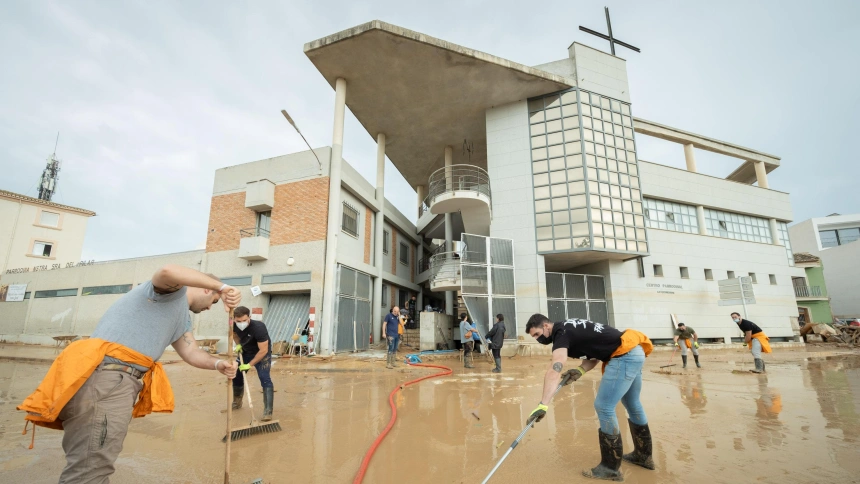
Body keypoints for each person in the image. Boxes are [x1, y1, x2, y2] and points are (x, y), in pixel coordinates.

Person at [18, 265, 240, 482]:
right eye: (214, 300)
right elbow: (167, 272)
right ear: (205, 289)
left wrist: (218, 364)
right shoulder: (172, 292)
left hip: (112, 383)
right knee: (89, 472)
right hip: (106, 381)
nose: (211, 307)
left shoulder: (181, 317)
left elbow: (191, 352)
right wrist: (223, 287)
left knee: (92, 465)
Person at [525, 315, 654, 481]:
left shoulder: (560, 333)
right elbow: (594, 355)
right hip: (634, 350)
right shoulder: (570, 326)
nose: (538, 339)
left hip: (624, 356)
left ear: (545, 325)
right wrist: (580, 371)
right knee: (632, 402)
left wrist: (543, 404)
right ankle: (643, 456)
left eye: (537, 334)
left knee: (604, 406)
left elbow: (556, 366)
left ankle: (610, 468)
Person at [231, 306, 274, 421]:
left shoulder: (259, 328)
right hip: (246, 351)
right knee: (236, 375)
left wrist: (250, 364)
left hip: (262, 353)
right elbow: (234, 334)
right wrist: (239, 344)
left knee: (264, 378)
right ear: (234, 319)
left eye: (244, 320)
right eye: (238, 321)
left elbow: (263, 350)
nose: (241, 323)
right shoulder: (233, 324)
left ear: (249, 317)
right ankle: (237, 402)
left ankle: (268, 411)